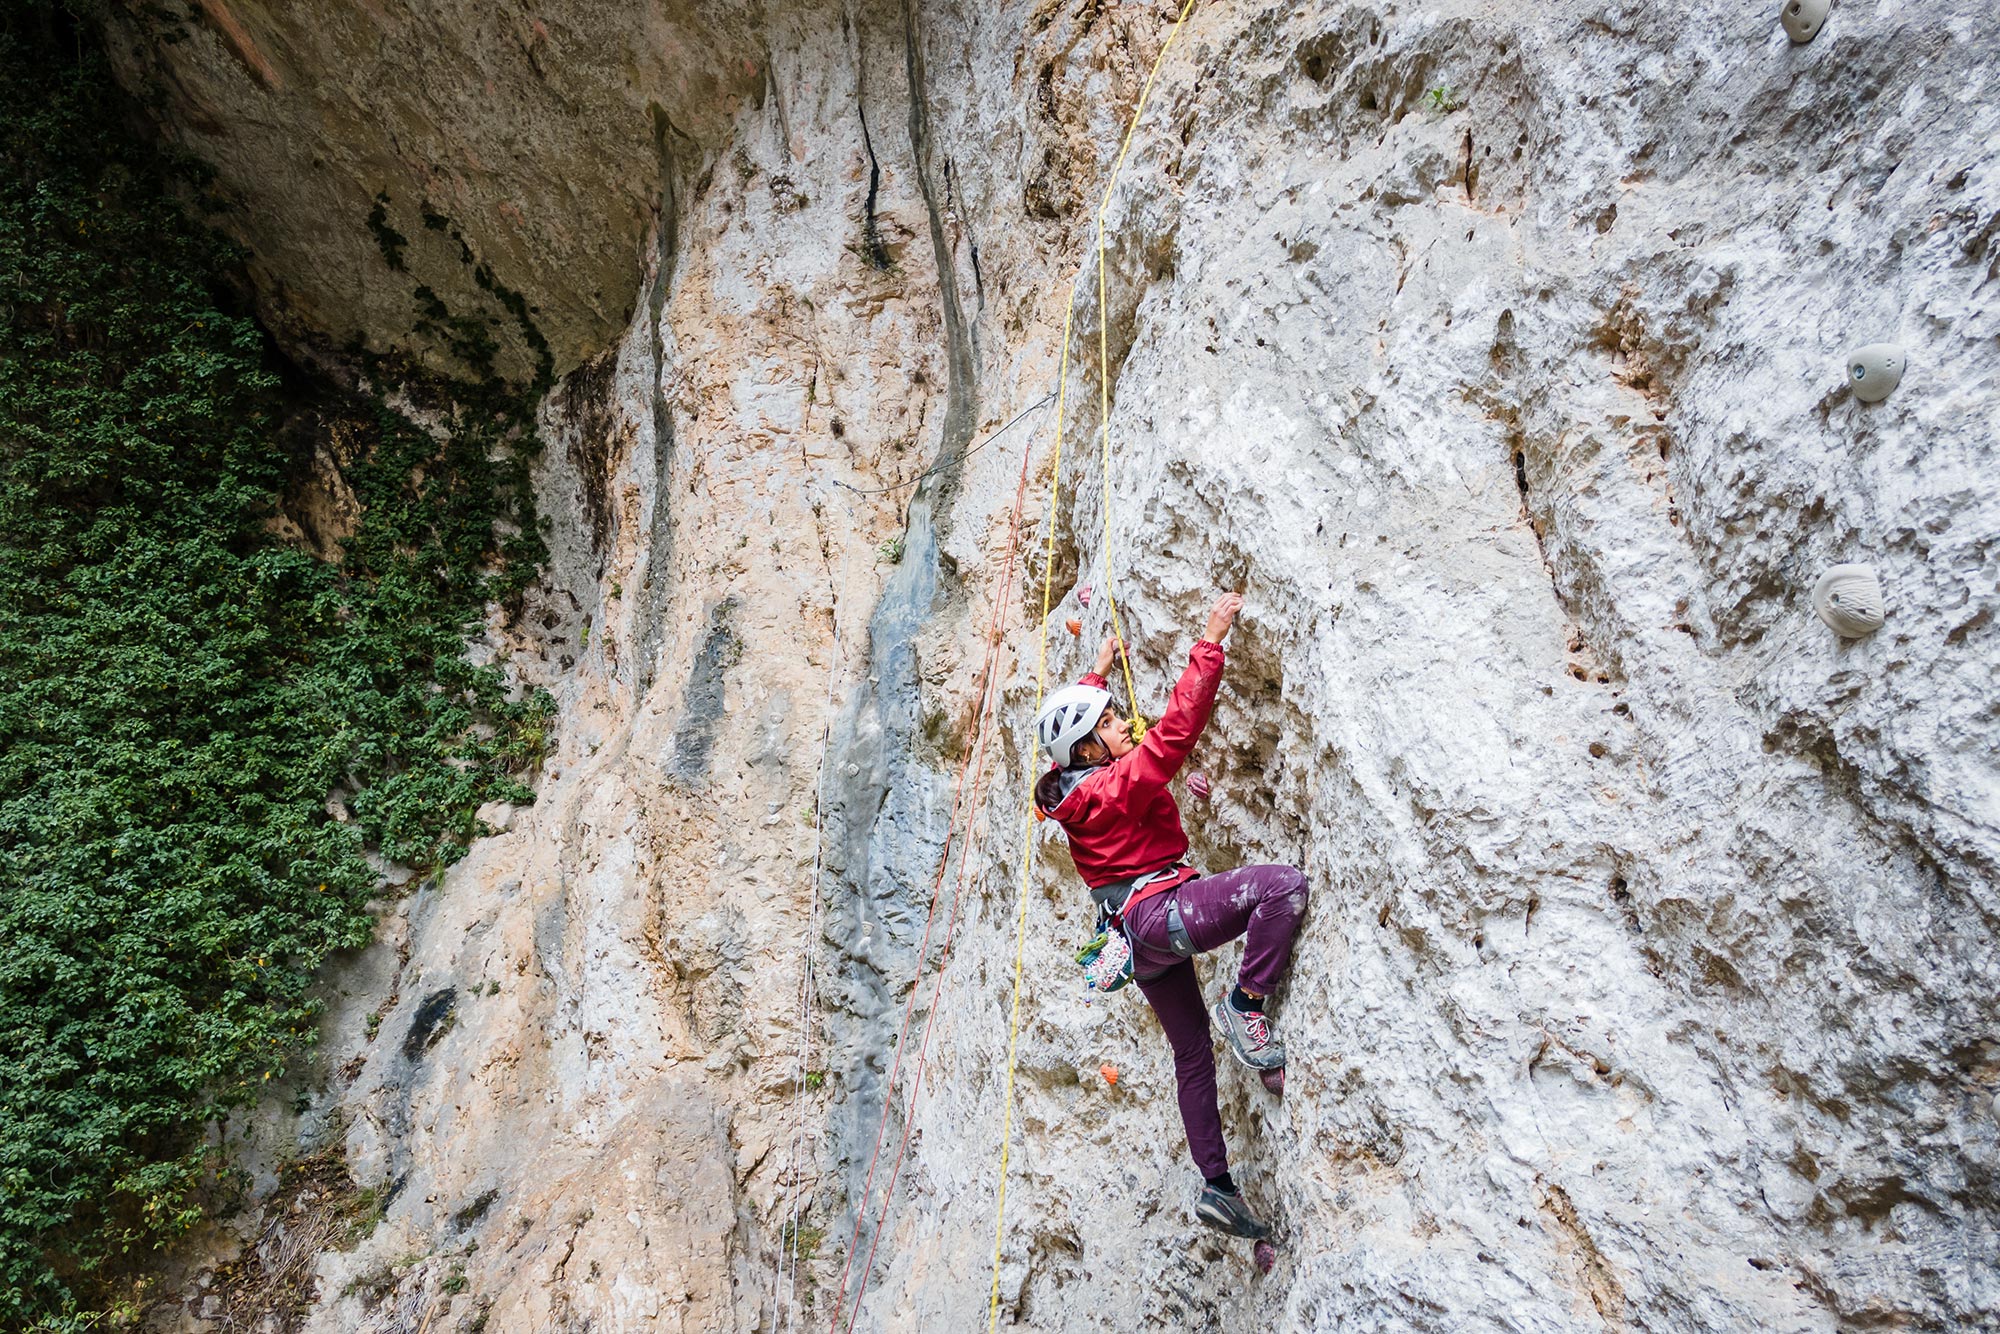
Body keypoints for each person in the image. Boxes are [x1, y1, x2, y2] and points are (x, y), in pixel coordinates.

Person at [1033, 592, 1309, 1241]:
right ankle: (1246, 1005)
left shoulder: (1074, 784)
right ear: (1092, 747)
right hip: (1160, 913)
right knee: (1282, 887)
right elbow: (1177, 733)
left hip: (1135, 941)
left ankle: (1217, 1186)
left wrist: (1096, 671)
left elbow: (1073, 745)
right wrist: (1210, 640)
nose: (1125, 723)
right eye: (1111, 721)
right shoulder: (1116, 781)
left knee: (1191, 1054)